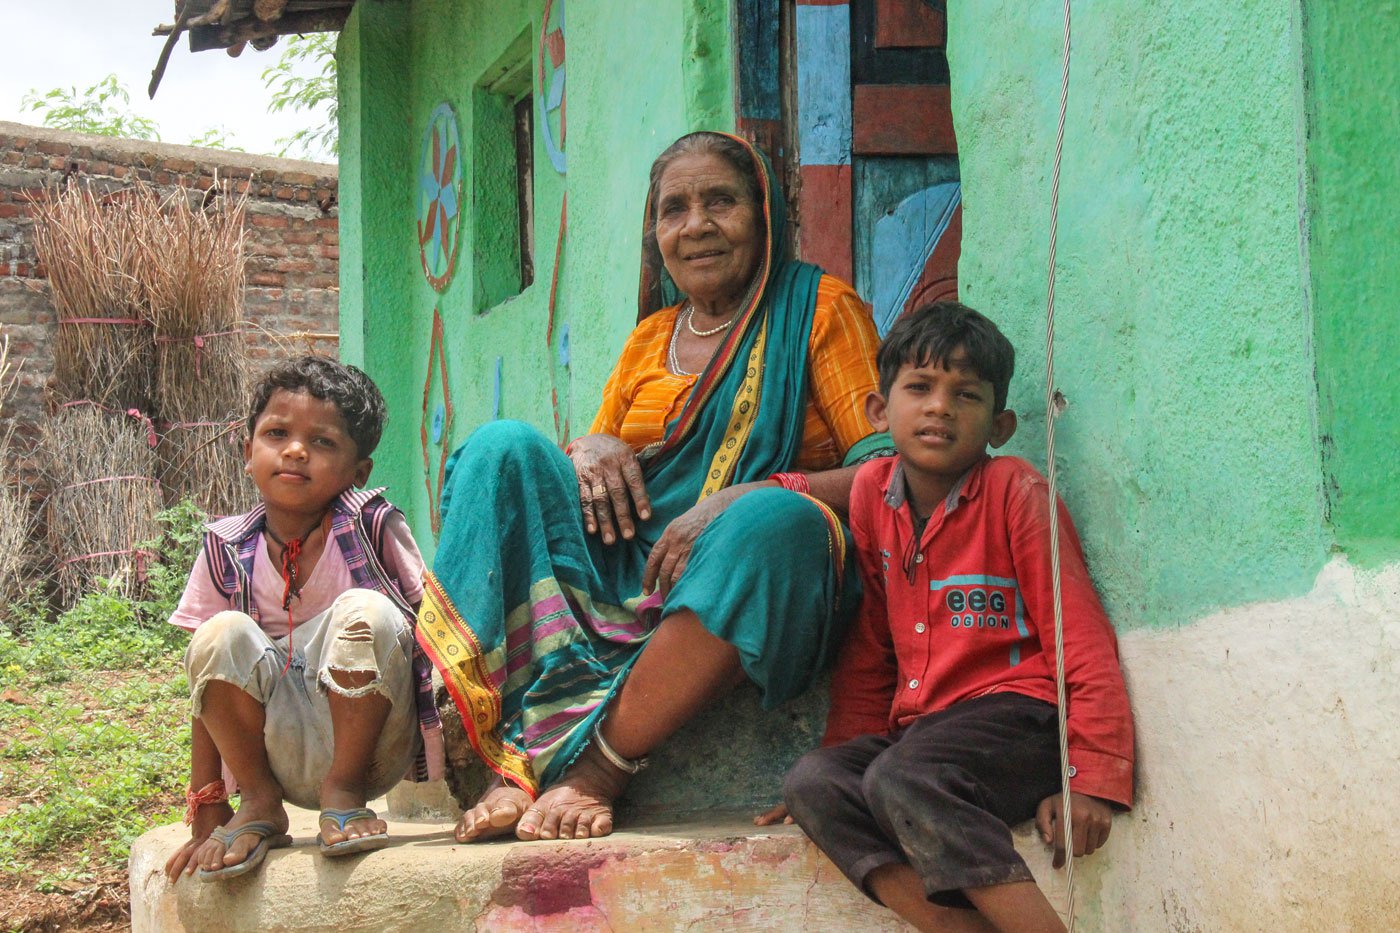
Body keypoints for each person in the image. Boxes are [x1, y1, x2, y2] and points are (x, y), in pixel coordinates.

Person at [417, 130, 892, 843]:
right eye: (675, 209)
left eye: (720, 202)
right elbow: (581, 478)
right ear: (656, 232)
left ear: (764, 215)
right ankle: (508, 755)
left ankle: (599, 766)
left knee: (775, 521)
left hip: (751, 564)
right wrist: (590, 447)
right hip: (636, 562)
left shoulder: (820, 309)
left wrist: (750, 494)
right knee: (501, 447)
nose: (696, 225)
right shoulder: (650, 338)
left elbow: (890, 468)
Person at [777, 304, 1134, 932]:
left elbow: (1080, 638)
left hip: (1020, 721)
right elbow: (870, 646)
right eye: (919, 389)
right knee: (814, 783)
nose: (939, 407)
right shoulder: (870, 494)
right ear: (879, 411)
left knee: (905, 776)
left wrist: (1090, 776)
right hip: (929, 736)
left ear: (999, 425)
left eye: (964, 395)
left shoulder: (1015, 491)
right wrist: (842, 753)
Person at [162, 356, 443, 883]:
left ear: (359, 472)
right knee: (217, 633)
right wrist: (208, 803)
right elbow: (206, 685)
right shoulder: (224, 547)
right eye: (276, 433)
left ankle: (343, 793)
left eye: (323, 442)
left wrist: (470, 771)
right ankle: (262, 804)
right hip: (275, 753)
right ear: (248, 452)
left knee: (367, 611)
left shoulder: (374, 526)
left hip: (375, 747)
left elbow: (435, 637)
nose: (295, 450)